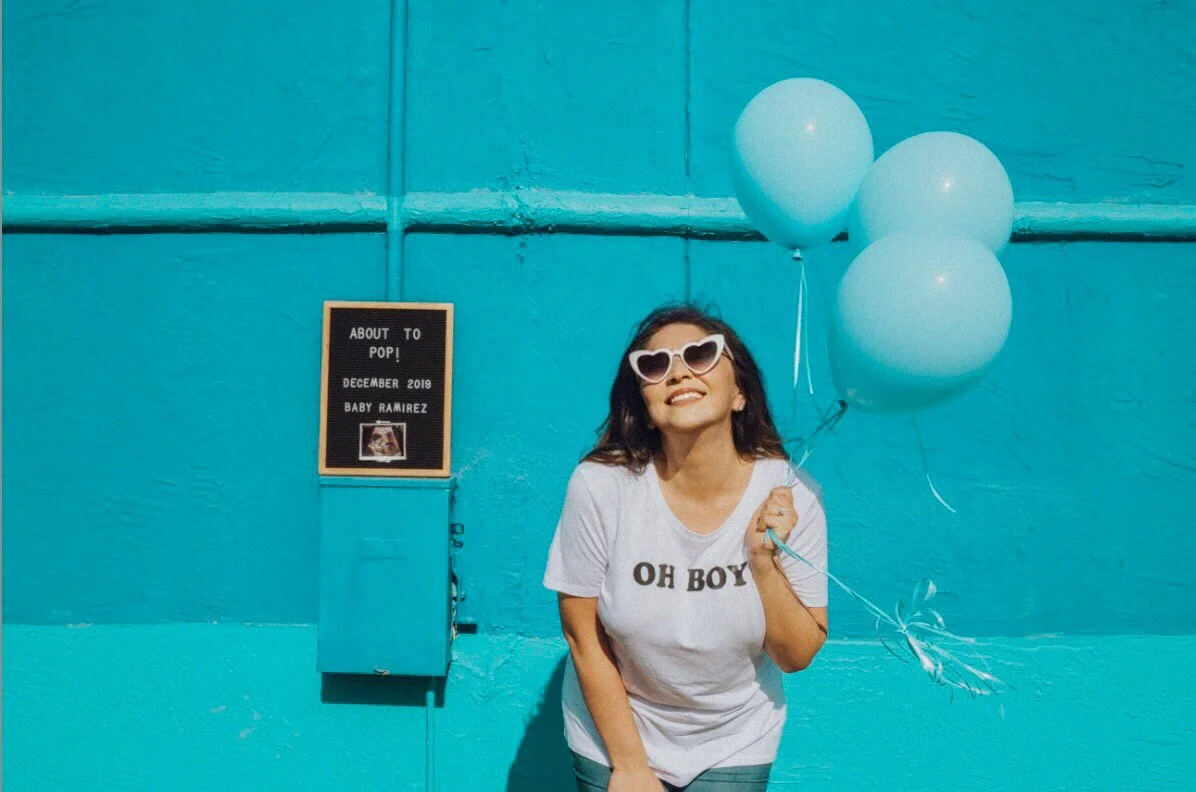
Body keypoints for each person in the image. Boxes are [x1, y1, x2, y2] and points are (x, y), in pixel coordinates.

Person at [542, 303, 830, 792]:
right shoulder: (601, 486)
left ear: (739, 392)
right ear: (646, 405)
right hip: (615, 732)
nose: (678, 372)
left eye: (700, 355)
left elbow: (796, 654)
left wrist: (763, 564)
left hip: (733, 738)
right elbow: (582, 638)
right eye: (654, 366)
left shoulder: (792, 494)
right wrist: (630, 766)